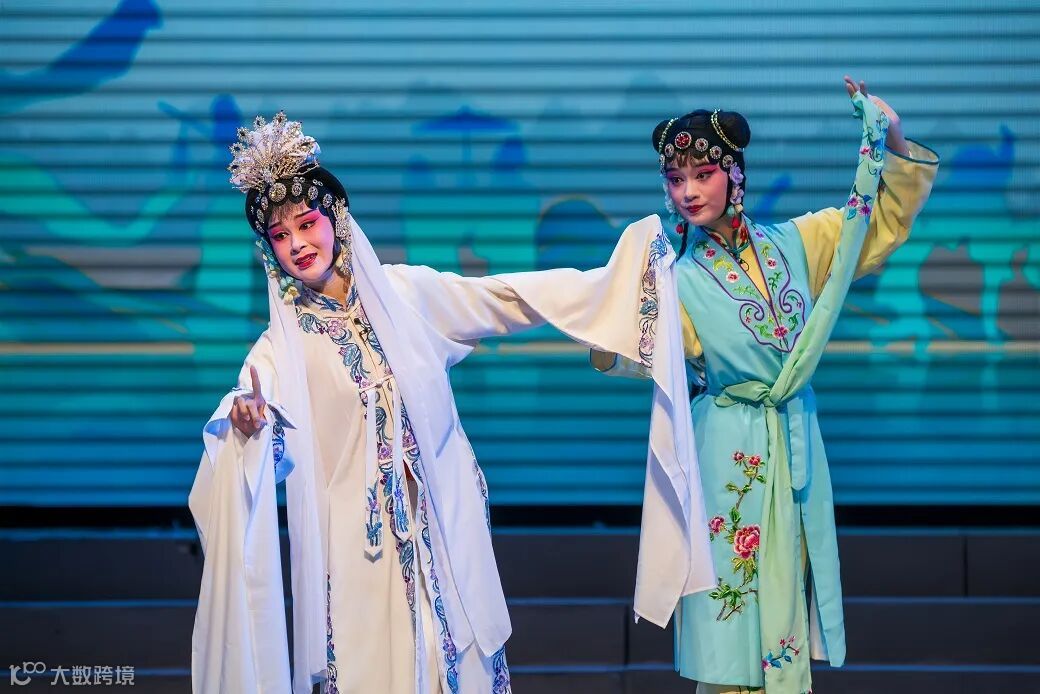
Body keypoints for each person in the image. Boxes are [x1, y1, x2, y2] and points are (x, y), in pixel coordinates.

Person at [189, 112, 716, 694]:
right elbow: (250, 411)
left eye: (307, 224)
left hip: (442, 528)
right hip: (360, 555)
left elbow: (505, 298)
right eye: (280, 236)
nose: (297, 244)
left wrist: (615, 282)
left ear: (334, 217)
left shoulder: (404, 293)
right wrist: (247, 423)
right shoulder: (281, 347)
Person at [595, 78, 939, 693]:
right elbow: (627, 346)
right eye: (675, 179)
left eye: (702, 174)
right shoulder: (674, 279)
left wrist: (890, 135)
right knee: (728, 616)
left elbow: (879, 219)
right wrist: (603, 305)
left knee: (783, 600)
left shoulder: (798, 243)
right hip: (724, 449)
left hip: (792, 438)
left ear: (733, 173)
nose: (688, 192)